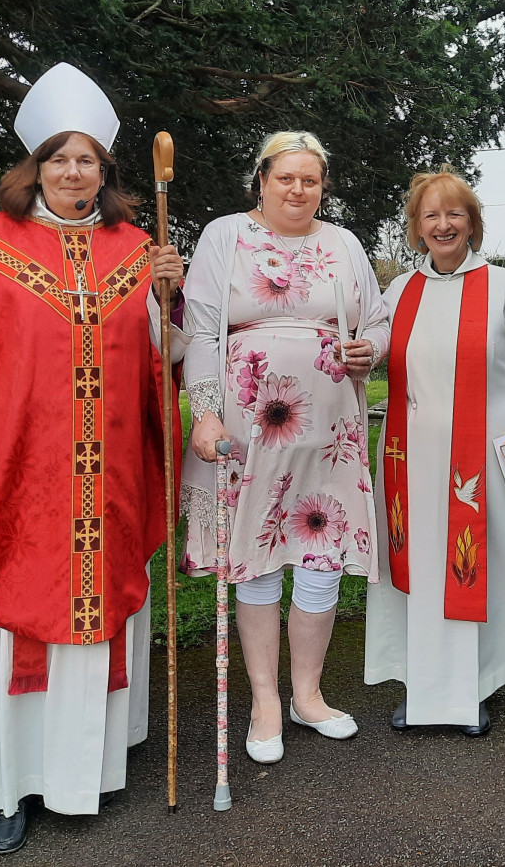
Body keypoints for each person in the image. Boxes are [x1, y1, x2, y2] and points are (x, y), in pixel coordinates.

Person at [0, 63, 187, 854]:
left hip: (107, 482)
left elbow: (162, 361)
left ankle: (80, 776)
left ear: (105, 171)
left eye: (87, 158)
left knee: (93, 618)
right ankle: (2, 786)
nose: (73, 171)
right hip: (10, 479)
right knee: (2, 619)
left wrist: (169, 299)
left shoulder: (137, 249)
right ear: (36, 165)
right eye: (59, 157)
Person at [179, 131, 389, 764]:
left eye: (311, 180)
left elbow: (377, 321)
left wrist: (370, 350)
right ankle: (266, 701)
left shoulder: (344, 243)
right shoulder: (225, 236)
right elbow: (202, 331)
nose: (299, 189)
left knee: (322, 553)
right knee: (258, 554)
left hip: (331, 429)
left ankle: (308, 695)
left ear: (323, 187)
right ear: (262, 180)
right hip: (247, 428)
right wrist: (206, 413)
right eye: (286, 178)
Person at [364, 169, 505, 736]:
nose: (443, 225)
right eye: (431, 215)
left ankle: (478, 683)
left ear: (472, 223)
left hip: (485, 456)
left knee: (488, 566)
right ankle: (425, 685)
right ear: (416, 228)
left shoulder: (502, 286)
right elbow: (370, 352)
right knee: (423, 569)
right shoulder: (398, 292)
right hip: (412, 458)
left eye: (454, 213)